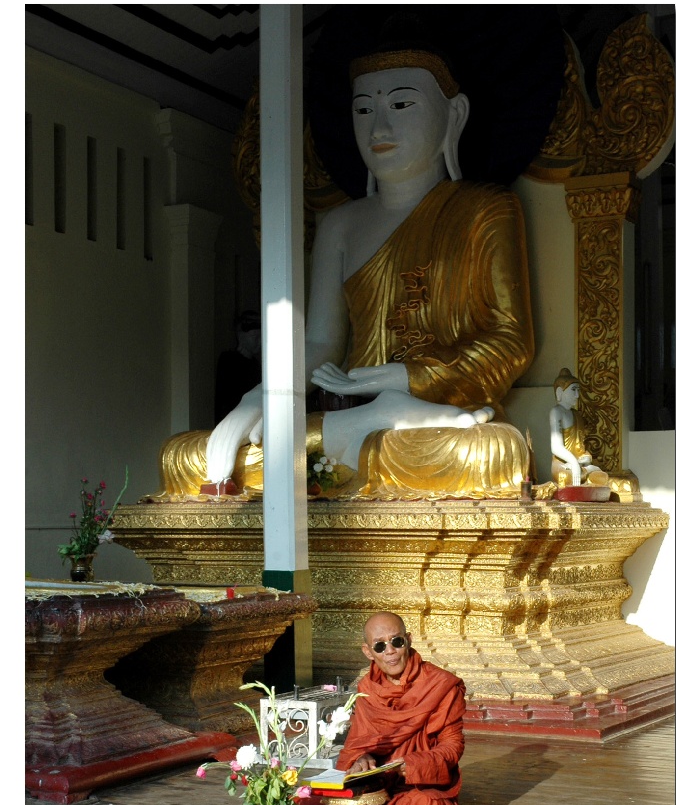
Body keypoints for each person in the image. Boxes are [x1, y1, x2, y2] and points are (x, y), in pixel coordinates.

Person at [158, 45, 533, 499]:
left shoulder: (486, 209)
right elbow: (320, 344)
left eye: (400, 104)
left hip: (441, 423)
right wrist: (258, 399)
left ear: (454, 114)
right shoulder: (339, 223)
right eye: (363, 109)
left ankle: (384, 417)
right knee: (187, 457)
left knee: (488, 451)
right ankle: (365, 422)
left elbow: (510, 343)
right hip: (345, 413)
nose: (379, 127)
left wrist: (399, 377)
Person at [318, 611, 469, 805]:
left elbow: (453, 747)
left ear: (408, 640)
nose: (390, 651)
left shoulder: (440, 684)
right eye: (380, 646)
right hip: (379, 782)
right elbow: (357, 743)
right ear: (368, 652)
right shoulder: (366, 689)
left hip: (420, 784)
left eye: (396, 641)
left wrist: (414, 763)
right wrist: (362, 757)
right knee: (311, 801)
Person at [550, 368, 608, 487]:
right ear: (560, 392)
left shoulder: (577, 415)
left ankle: (585, 473)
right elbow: (556, 447)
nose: (577, 395)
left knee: (602, 478)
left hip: (579, 463)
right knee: (566, 478)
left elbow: (581, 447)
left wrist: (584, 460)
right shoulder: (556, 412)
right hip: (563, 465)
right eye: (573, 390)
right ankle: (585, 475)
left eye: (578, 390)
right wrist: (573, 463)